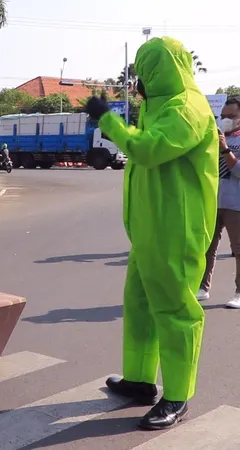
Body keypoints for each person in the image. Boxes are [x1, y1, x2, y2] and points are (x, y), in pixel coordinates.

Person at [84, 37, 219, 430]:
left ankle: (177, 395)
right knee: (140, 304)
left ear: (163, 71)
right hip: (149, 230)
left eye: (144, 73)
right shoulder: (158, 107)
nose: (138, 83)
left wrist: (109, 121)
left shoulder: (187, 109)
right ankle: (140, 380)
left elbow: (148, 150)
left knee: (176, 311)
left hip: (177, 229)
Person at [198, 96, 240, 306]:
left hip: (236, 204)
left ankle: (239, 292)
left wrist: (225, 149)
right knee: (207, 246)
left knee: (238, 249)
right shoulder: (215, 138)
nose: (225, 120)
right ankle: (202, 287)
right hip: (213, 201)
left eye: (231, 116)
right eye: (222, 116)